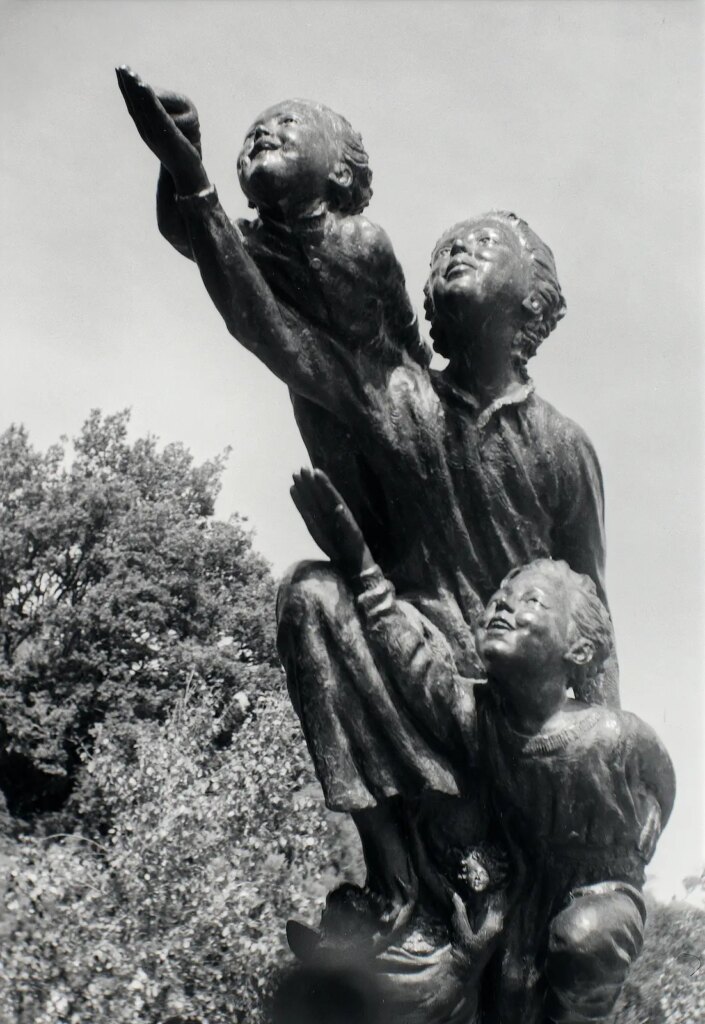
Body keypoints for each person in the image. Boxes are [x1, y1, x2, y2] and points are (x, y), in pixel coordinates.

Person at [116, 68, 616, 945]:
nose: (457, 250)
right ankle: (389, 866)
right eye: (448, 248)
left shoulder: (565, 447)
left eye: (485, 244)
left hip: (511, 709)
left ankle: (485, 891)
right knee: (310, 594)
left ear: (531, 300)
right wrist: (191, 179)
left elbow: (594, 614)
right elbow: (267, 327)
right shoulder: (398, 398)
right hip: (406, 660)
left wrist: (595, 763)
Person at [289, 469, 674, 1024]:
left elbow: (661, 780)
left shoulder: (616, 734)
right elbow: (417, 668)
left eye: (530, 603)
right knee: (511, 987)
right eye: (499, 597)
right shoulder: (479, 716)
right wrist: (361, 564)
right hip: (527, 879)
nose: (502, 607)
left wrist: (649, 825)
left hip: (599, 885)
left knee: (583, 943)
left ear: (580, 647)